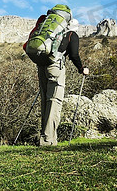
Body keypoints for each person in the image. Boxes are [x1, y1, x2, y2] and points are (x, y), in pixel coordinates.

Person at [37, 18, 89, 146]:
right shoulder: (72, 35)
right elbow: (74, 55)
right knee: (54, 101)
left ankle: (45, 137)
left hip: (42, 65)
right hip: (55, 68)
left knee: (45, 101)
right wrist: (82, 69)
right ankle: (48, 140)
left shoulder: (54, 33)